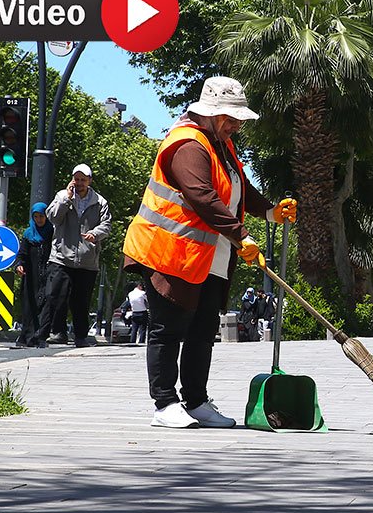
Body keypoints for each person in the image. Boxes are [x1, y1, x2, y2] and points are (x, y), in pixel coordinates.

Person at [122, 75, 297, 429]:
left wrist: (270, 211)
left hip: (207, 256)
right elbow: (202, 196)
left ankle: (197, 401)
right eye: (231, 118)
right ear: (211, 112)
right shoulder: (187, 144)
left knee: (202, 332)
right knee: (168, 329)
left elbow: (239, 188)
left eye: (239, 119)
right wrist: (241, 235)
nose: (236, 126)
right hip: (168, 252)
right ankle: (165, 404)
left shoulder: (220, 144)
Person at [35, 164, 112, 348]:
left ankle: (80, 337)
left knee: (81, 302)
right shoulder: (62, 196)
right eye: (76, 179)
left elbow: (107, 225)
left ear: (89, 181)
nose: (79, 183)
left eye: (83, 180)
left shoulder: (99, 202)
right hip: (61, 258)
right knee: (55, 296)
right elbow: (53, 217)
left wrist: (95, 234)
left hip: (87, 261)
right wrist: (66, 200)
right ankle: (55, 333)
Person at [13, 202, 53, 348]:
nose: (39, 219)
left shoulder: (52, 233)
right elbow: (21, 254)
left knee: (46, 305)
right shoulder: (28, 234)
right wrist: (19, 265)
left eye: (41, 216)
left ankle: (41, 336)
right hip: (31, 277)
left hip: (48, 275)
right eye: (36, 217)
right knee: (29, 306)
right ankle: (27, 336)